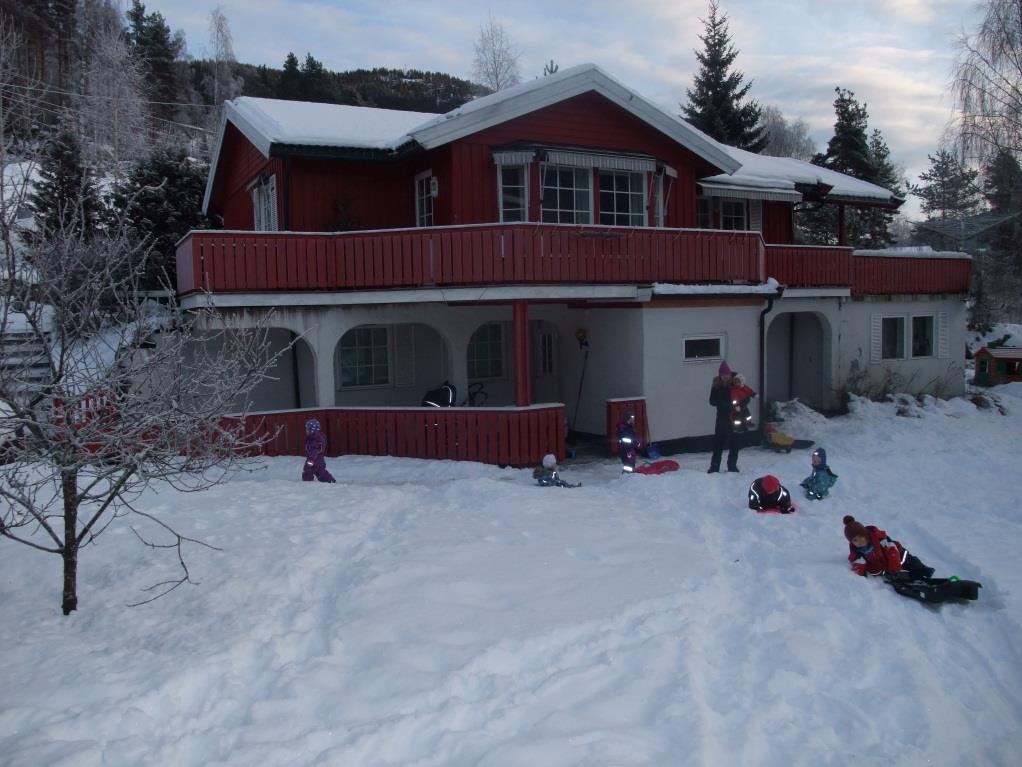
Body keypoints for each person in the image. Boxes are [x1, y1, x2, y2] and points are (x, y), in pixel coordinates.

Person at [843, 515, 935, 579]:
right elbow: (857, 564)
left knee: (912, 563)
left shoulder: (880, 540)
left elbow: (892, 552)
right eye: (855, 540)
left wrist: (894, 570)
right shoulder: (858, 553)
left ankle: (923, 570)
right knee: (901, 577)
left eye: (860, 537)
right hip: (885, 567)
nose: (859, 541)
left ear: (865, 535)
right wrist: (861, 574)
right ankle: (910, 579)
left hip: (898, 556)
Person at [708, 361, 741, 473]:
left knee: (735, 442)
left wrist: (738, 405)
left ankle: (732, 465)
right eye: (722, 375)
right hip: (721, 417)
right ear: (720, 375)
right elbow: (712, 401)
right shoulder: (716, 385)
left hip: (735, 417)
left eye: (726, 375)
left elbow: (745, 396)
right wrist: (723, 404)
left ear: (730, 374)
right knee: (718, 443)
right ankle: (714, 466)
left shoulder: (737, 384)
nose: (725, 377)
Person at [302, 418, 336, 483]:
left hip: (314, 460)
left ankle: (329, 481)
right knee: (314, 470)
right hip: (316, 459)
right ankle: (308, 481)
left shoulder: (315, 439)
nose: (306, 431)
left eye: (307, 429)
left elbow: (314, 451)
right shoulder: (312, 437)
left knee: (312, 470)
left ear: (312, 430)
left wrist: (310, 460)